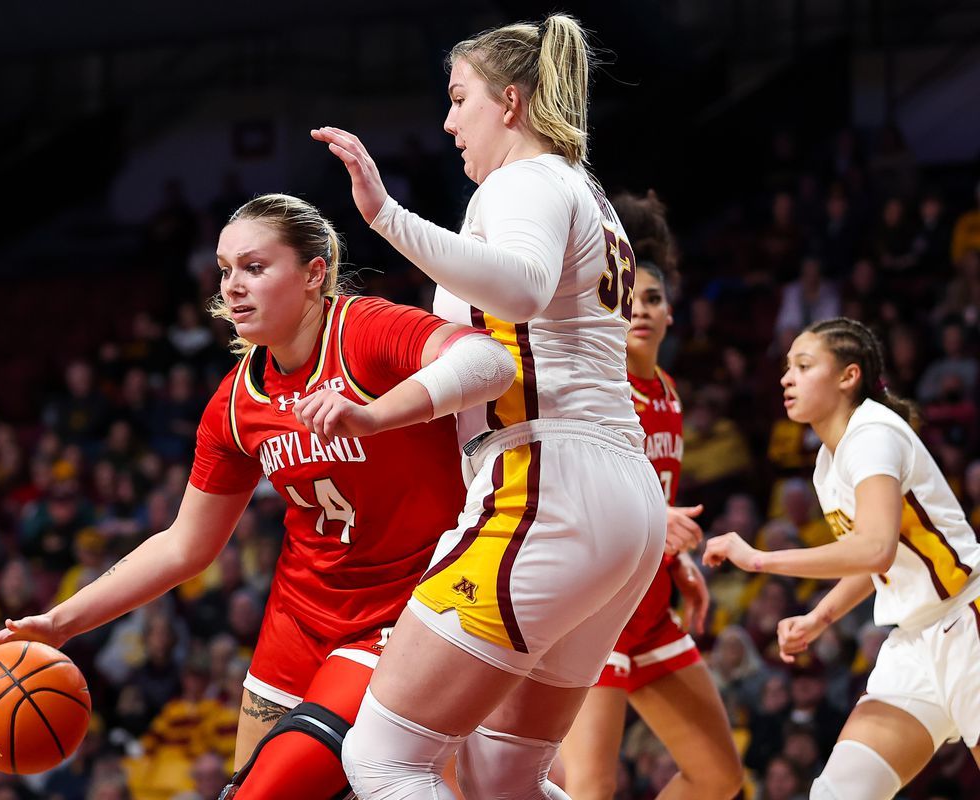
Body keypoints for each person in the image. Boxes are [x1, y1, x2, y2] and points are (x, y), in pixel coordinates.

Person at [0, 194, 517, 800]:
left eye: (254, 267)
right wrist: (62, 623)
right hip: (298, 620)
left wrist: (375, 415)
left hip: (405, 613)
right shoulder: (234, 401)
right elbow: (184, 546)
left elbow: (488, 361)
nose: (234, 287)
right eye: (225, 270)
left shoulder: (366, 330)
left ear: (313, 274)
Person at [311, 13, 666, 799]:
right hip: (617, 497)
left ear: (509, 102)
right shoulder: (588, 196)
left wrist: (385, 219)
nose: (447, 121)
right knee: (505, 775)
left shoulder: (525, 181)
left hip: (548, 483)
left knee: (381, 762)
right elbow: (501, 351)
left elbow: (523, 288)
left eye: (458, 97)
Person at [704, 317, 980, 799]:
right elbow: (876, 562)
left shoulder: (873, 434)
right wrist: (818, 617)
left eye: (804, 365)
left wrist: (760, 561)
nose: (785, 377)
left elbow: (875, 546)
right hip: (915, 643)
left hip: (967, 620)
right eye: (786, 367)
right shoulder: (828, 462)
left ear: (848, 376)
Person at [557, 193, 742, 799]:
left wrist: (674, 553)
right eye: (629, 300)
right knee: (591, 788)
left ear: (670, 316)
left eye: (654, 300)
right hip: (597, 611)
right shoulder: (600, 390)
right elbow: (573, 493)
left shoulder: (666, 389)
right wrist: (653, 520)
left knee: (718, 775)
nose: (640, 310)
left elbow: (657, 498)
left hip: (652, 605)